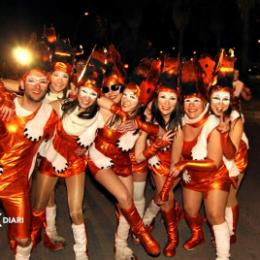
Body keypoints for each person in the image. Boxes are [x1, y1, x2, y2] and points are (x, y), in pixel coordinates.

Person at [30, 64, 115, 260]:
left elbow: (116, 112)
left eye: (92, 94)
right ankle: (31, 242)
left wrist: (93, 127)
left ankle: (81, 253)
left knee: (76, 210)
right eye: (83, 91)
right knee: (39, 206)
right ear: (76, 90)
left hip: (76, 161)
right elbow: (36, 114)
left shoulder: (99, 114)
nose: (87, 97)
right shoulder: (63, 104)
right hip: (51, 157)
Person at [159, 60, 232, 260]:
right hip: (192, 175)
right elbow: (175, 160)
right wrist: (166, 188)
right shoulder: (181, 123)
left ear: (205, 103)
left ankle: (223, 255)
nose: (191, 106)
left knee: (214, 215)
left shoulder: (213, 124)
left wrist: (185, 164)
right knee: (190, 210)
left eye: (196, 101)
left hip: (214, 176)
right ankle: (197, 233)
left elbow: (214, 163)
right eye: (188, 101)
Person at [87, 79, 161, 259]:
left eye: (133, 97)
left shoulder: (141, 122)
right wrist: (119, 111)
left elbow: (154, 138)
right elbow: (95, 96)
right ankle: (143, 233)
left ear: (141, 101)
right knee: (123, 196)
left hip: (122, 163)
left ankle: (120, 247)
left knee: (126, 207)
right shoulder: (110, 109)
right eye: (125, 95)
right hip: (99, 158)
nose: (127, 100)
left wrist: (141, 126)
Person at [0, 63, 58, 260]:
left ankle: (15, 233)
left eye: (42, 82)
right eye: (31, 80)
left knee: (24, 240)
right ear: (21, 84)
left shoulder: (49, 115)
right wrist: (6, 97)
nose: (37, 86)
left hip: (15, 184)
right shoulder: (5, 104)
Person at [135, 58, 183, 257]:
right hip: (155, 162)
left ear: (177, 101)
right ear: (156, 98)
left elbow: (176, 159)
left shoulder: (181, 122)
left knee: (163, 197)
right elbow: (139, 151)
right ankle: (172, 236)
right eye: (163, 97)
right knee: (166, 198)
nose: (166, 103)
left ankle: (148, 221)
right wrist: (151, 149)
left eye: (172, 99)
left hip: (177, 164)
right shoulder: (150, 116)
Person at [209, 54, 249, 244]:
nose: (219, 103)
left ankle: (230, 231)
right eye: (215, 97)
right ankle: (219, 224)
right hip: (215, 157)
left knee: (229, 198)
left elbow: (231, 153)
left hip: (235, 158)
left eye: (224, 98)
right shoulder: (206, 112)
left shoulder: (235, 118)